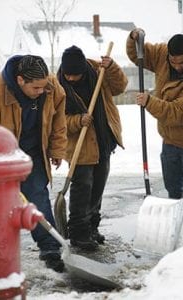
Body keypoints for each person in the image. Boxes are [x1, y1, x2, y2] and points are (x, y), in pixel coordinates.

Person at [0, 54, 67, 272]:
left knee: (38, 197)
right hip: (1, 157)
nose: (42, 91)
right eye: (36, 88)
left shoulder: (52, 87)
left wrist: (57, 149)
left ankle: (51, 249)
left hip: (34, 153)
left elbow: (59, 121)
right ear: (20, 80)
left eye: (44, 86)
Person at [57, 45, 128, 250]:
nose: (70, 79)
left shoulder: (98, 71)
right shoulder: (57, 86)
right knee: (82, 189)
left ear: (82, 69)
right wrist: (78, 120)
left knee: (97, 187)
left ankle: (92, 228)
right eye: (67, 75)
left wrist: (112, 67)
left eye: (75, 75)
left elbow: (120, 87)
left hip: (104, 140)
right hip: (79, 146)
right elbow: (58, 120)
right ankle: (79, 233)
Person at [126, 29, 183, 199]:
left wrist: (149, 102)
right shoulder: (162, 55)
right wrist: (134, 38)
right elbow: (137, 55)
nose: (177, 66)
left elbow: (176, 113)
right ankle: (177, 223)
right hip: (168, 141)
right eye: (173, 61)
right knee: (173, 190)